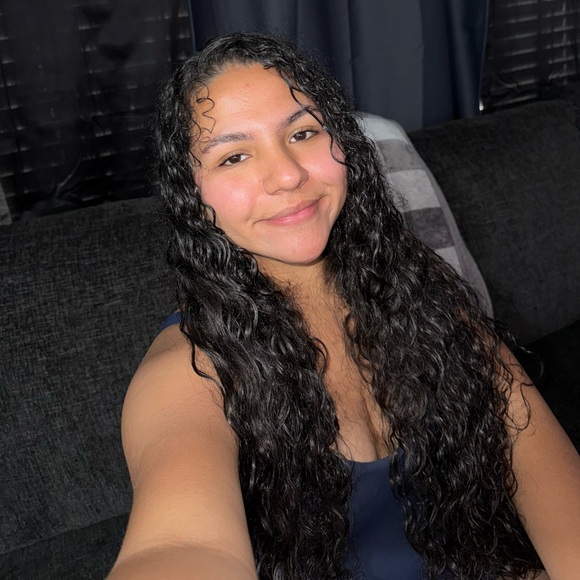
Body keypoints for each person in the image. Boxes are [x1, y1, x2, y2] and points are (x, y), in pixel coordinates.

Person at [108, 32, 580, 579]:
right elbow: (177, 543)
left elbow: (558, 494)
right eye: (233, 156)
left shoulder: (425, 299)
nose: (288, 174)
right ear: (191, 195)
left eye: (303, 132)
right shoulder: (189, 374)